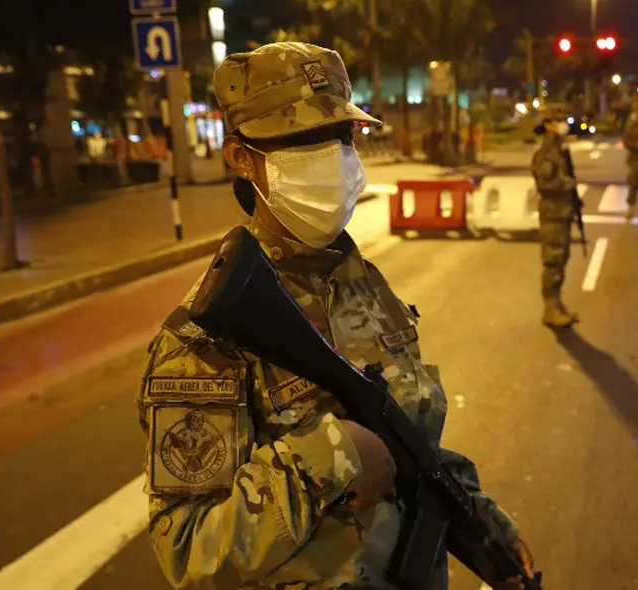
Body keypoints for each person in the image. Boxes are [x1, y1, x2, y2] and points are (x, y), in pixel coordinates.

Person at [137, 42, 534, 590]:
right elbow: (189, 551)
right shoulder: (206, 338)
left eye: (340, 137)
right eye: (302, 141)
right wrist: (329, 458)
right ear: (241, 158)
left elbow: (412, 442)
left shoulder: (364, 284)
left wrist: (485, 526)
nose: (331, 158)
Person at [531, 106, 580, 329]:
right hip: (552, 214)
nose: (562, 123)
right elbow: (545, 184)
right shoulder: (546, 152)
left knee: (561, 259)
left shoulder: (560, 149)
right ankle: (549, 309)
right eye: (558, 119)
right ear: (549, 124)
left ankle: (557, 303)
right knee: (553, 261)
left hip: (562, 212)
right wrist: (567, 185)